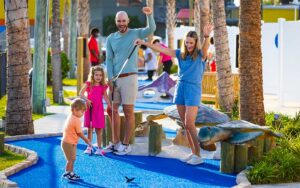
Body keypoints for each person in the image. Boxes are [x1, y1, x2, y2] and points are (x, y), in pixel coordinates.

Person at [135, 24, 213, 165]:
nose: (189, 45)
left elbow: (206, 47)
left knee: (190, 123)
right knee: (185, 124)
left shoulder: (201, 55)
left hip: (193, 90)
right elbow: (162, 49)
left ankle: (198, 154)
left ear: (196, 43)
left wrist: (207, 36)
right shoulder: (180, 54)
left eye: (191, 42)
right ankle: (194, 153)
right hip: (180, 87)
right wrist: (144, 43)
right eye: (187, 42)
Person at [104, 7, 156, 155]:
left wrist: (149, 15)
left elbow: (151, 28)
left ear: (128, 21)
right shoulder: (111, 38)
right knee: (112, 110)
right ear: (116, 22)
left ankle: (126, 144)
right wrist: (110, 78)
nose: (121, 23)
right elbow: (108, 59)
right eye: (119, 21)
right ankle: (115, 143)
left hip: (130, 79)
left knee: (128, 111)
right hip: (115, 80)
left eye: (124, 20)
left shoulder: (135, 33)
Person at [79, 66, 111, 155]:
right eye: (96, 75)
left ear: (102, 76)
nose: (98, 77)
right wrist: (87, 100)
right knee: (90, 128)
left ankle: (99, 148)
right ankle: (89, 147)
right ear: (92, 75)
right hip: (90, 108)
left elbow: (105, 97)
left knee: (99, 129)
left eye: (100, 75)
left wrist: (110, 106)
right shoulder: (89, 84)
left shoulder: (103, 86)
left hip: (98, 109)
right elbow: (81, 93)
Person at [61, 98, 92, 180]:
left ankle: (69, 172)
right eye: (82, 111)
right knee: (71, 159)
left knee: (71, 159)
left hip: (67, 142)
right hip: (69, 143)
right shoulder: (76, 120)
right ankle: (68, 173)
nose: (83, 114)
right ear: (75, 110)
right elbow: (79, 133)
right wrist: (87, 140)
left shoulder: (71, 116)